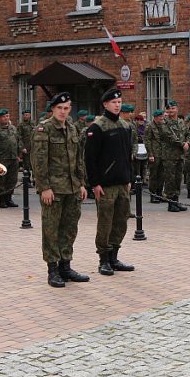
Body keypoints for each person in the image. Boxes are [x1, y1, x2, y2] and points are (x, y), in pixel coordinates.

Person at [32, 92, 89, 288]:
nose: (63, 112)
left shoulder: (72, 129)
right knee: (51, 229)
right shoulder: (44, 129)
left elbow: (78, 159)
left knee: (69, 228)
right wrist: (44, 187)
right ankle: (53, 269)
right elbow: (38, 161)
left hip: (72, 188)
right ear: (53, 109)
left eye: (66, 108)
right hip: (53, 190)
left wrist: (81, 183)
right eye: (59, 108)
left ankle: (66, 266)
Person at [84, 88, 137, 275]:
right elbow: (90, 159)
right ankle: (103, 259)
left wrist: (129, 178)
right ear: (105, 104)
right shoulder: (97, 127)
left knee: (121, 220)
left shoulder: (125, 125)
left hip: (122, 182)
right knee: (105, 222)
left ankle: (114, 256)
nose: (117, 105)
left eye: (119, 102)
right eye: (114, 102)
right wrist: (95, 184)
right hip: (105, 185)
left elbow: (127, 155)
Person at [0, 110, 22, 208]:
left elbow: (18, 141)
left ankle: (9, 198)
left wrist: (19, 155)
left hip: (13, 157)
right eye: (4, 116)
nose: (6, 118)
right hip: (2, 158)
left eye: (7, 116)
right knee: (1, 180)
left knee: (12, 179)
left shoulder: (13, 128)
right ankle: (2, 200)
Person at [160, 100, 189, 212]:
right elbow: (169, 136)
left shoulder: (181, 122)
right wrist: (182, 144)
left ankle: (176, 201)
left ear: (177, 109)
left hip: (180, 155)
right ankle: (170, 203)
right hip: (169, 156)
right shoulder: (164, 122)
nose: (171, 111)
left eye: (173, 108)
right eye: (169, 109)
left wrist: (188, 142)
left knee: (178, 179)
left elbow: (187, 133)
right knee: (170, 179)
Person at [144, 109, 167, 203]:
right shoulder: (150, 126)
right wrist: (150, 154)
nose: (162, 118)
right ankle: (153, 195)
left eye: (162, 116)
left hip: (163, 153)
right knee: (154, 175)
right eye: (160, 116)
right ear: (156, 117)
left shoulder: (163, 125)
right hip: (154, 153)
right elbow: (147, 140)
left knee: (162, 175)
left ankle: (159, 193)